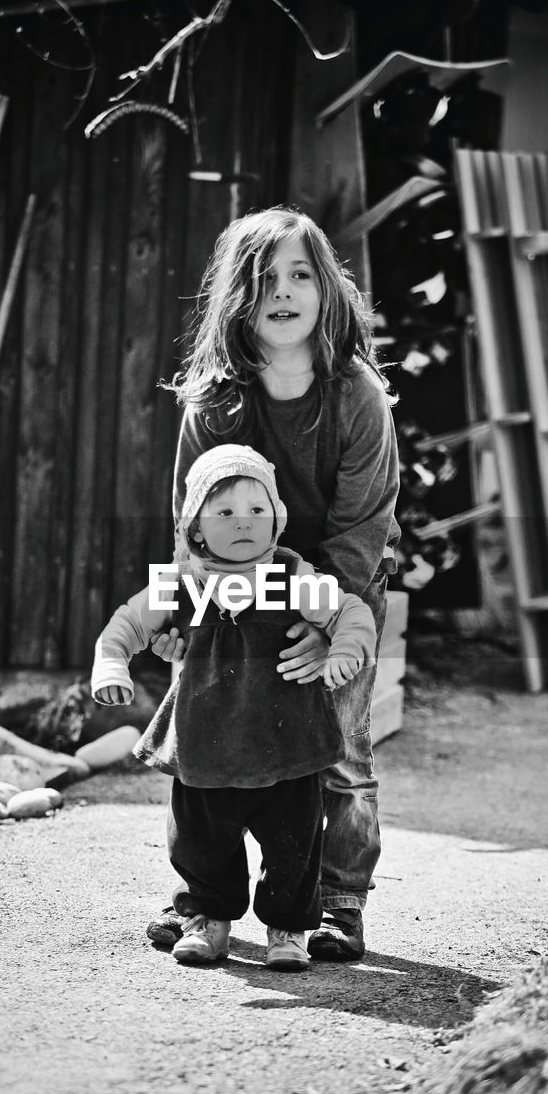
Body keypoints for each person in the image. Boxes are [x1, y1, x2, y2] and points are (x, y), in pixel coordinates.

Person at [148, 206, 400, 961]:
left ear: (326, 290)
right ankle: (203, 899)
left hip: (340, 596)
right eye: (263, 279)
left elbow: (361, 526)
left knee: (340, 755)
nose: (281, 291)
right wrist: (178, 609)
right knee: (214, 743)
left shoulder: (356, 396)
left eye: (298, 274)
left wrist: (322, 620)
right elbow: (189, 518)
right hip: (233, 602)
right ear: (236, 298)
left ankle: (338, 902)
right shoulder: (214, 403)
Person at [91, 444, 378, 971]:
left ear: (277, 521)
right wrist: (112, 662)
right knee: (200, 842)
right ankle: (207, 921)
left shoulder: (293, 578)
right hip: (204, 743)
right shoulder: (179, 581)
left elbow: (351, 612)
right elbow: (128, 622)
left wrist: (345, 649)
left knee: (294, 845)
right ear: (195, 527)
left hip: (289, 743)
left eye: (257, 510)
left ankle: (288, 930)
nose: (243, 522)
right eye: (224, 512)